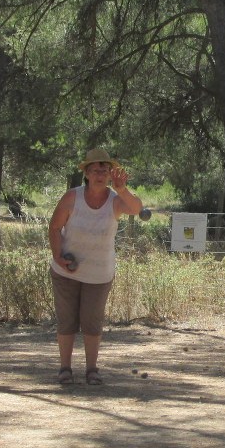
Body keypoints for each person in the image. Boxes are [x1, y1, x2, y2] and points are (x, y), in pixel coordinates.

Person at [49, 148, 144, 385]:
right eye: (94, 170)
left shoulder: (116, 199)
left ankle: (92, 370)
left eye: (104, 170)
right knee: (67, 321)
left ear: (111, 174)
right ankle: (65, 369)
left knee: (92, 323)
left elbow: (136, 209)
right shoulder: (72, 197)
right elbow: (54, 228)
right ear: (87, 174)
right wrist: (58, 256)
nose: (100, 174)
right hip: (66, 271)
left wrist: (122, 189)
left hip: (100, 274)